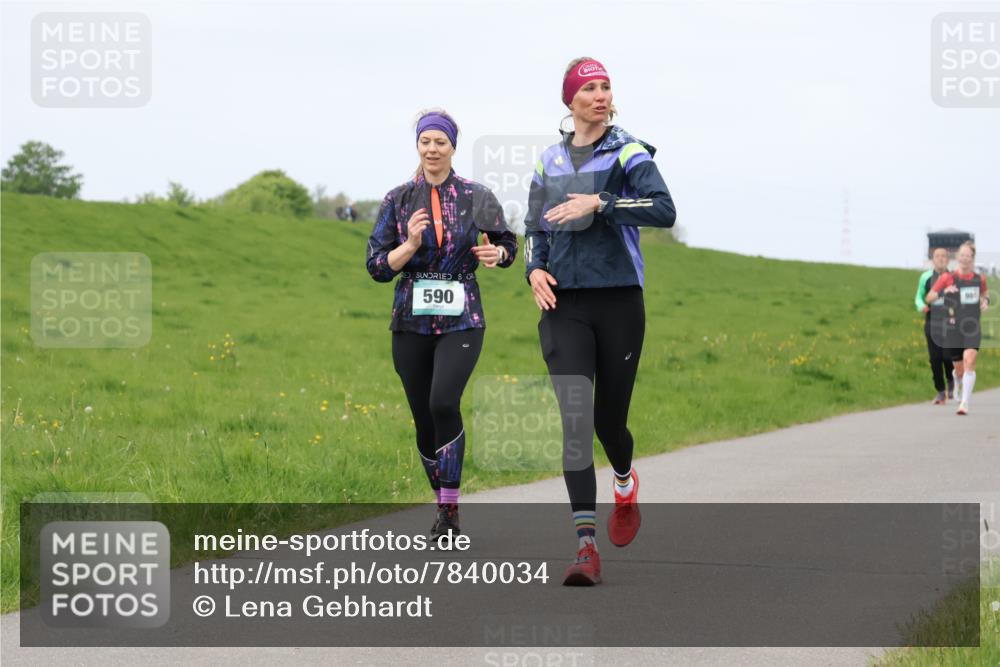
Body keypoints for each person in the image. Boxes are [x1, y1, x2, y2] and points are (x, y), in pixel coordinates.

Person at [524, 57, 677, 585]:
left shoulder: (628, 151)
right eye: (589, 87)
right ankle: (586, 547)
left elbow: (663, 209)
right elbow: (533, 228)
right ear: (570, 100)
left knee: (609, 422)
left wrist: (603, 201)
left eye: (607, 86)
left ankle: (625, 480)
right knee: (574, 422)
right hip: (564, 305)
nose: (600, 94)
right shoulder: (548, 160)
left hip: (618, 300)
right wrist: (533, 270)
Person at [366, 109, 518, 538]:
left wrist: (498, 255)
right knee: (423, 418)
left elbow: (508, 244)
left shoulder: (476, 196)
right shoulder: (397, 200)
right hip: (410, 320)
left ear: (454, 146)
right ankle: (443, 500)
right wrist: (410, 244)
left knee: (443, 403)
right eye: (425, 142)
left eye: (441, 142)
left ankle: (449, 513)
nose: (432, 149)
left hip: (462, 317)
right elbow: (377, 267)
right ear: (417, 145)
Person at [925, 240, 989, 416]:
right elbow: (929, 298)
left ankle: (964, 403)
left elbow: (985, 294)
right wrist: (943, 292)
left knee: (970, 359)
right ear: (957, 257)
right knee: (959, 368)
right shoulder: (948, 278)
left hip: (972, 326)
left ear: (972, 259)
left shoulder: (979, 279)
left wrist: (986, 302)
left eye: (968, 256)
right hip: (953, 327)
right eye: (962, 255)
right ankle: (957, 378)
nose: (965, 259)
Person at [914, 247, 955, 404]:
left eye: (943, 256)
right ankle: (940, 391)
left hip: (950, 321)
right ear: (933, 259)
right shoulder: (925, 277)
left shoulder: (954, 277)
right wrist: (921, 306)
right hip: (932, 320)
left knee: (947, 356)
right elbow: (918, 297)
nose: (940, 259)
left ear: (948, 259)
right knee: (934, 358)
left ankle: (951, 381)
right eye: (937, 256)